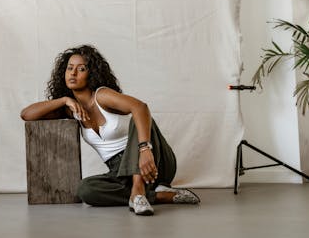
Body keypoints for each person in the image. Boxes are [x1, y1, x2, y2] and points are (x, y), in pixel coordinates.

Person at [20, 44, 199, 215]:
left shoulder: (102, 95)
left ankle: (138, 190)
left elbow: (140, 107)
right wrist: (63, 100)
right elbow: (27, 114)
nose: (73, 73)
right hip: (119, 172)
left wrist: (145, 149)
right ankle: (158, 195)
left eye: (81, 69)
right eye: (69, 68)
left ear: (91, 73)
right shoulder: (70, 109)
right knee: (85, 190)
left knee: (138, 120)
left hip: (152, 159)